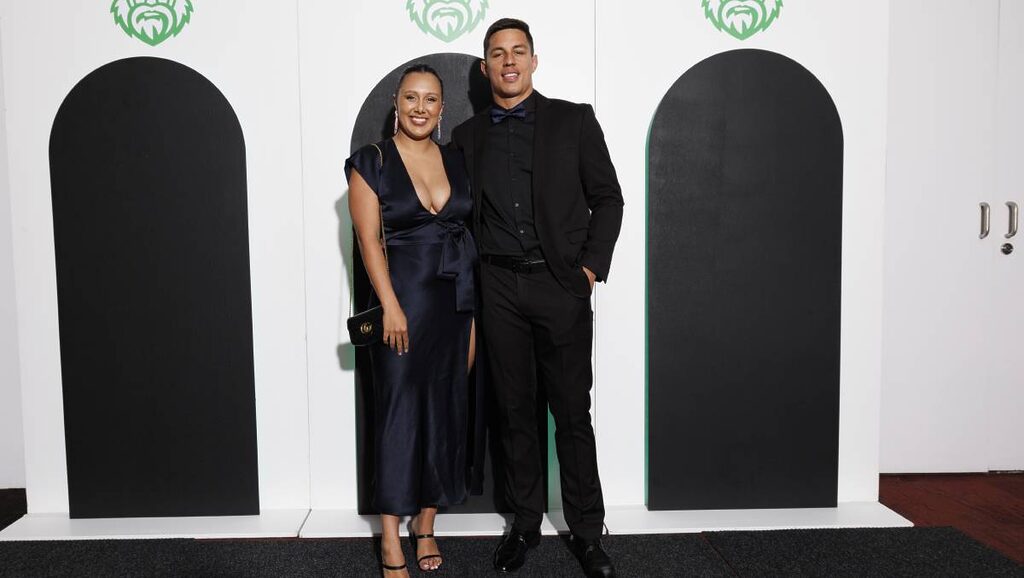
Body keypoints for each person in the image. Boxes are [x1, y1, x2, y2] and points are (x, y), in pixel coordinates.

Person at [451, 18, 624, 578]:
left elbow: (609, 198)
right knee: (513, 412)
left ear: (533, 60)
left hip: (560, 284)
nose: (508, 61)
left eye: (518, 52)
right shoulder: (467, 137)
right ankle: (524, 525)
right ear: (484, 68)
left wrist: (590, 268)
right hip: (498, 286)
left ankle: (588, 533)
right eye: (497, 54)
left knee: (572, 413)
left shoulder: (573, 120)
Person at [346, 64, 479, 576]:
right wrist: (392, 306)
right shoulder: (372, 162)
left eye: (430, 100)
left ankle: (426, 525)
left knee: (446, 410)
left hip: (456, 304)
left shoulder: (456, 160)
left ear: (442, 109)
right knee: (399, 414)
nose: (419, 108)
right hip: (402, 304)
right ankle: (390, 540)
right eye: (410, 99)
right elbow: (368, 243)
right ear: (395, 105)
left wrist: (473, 317)